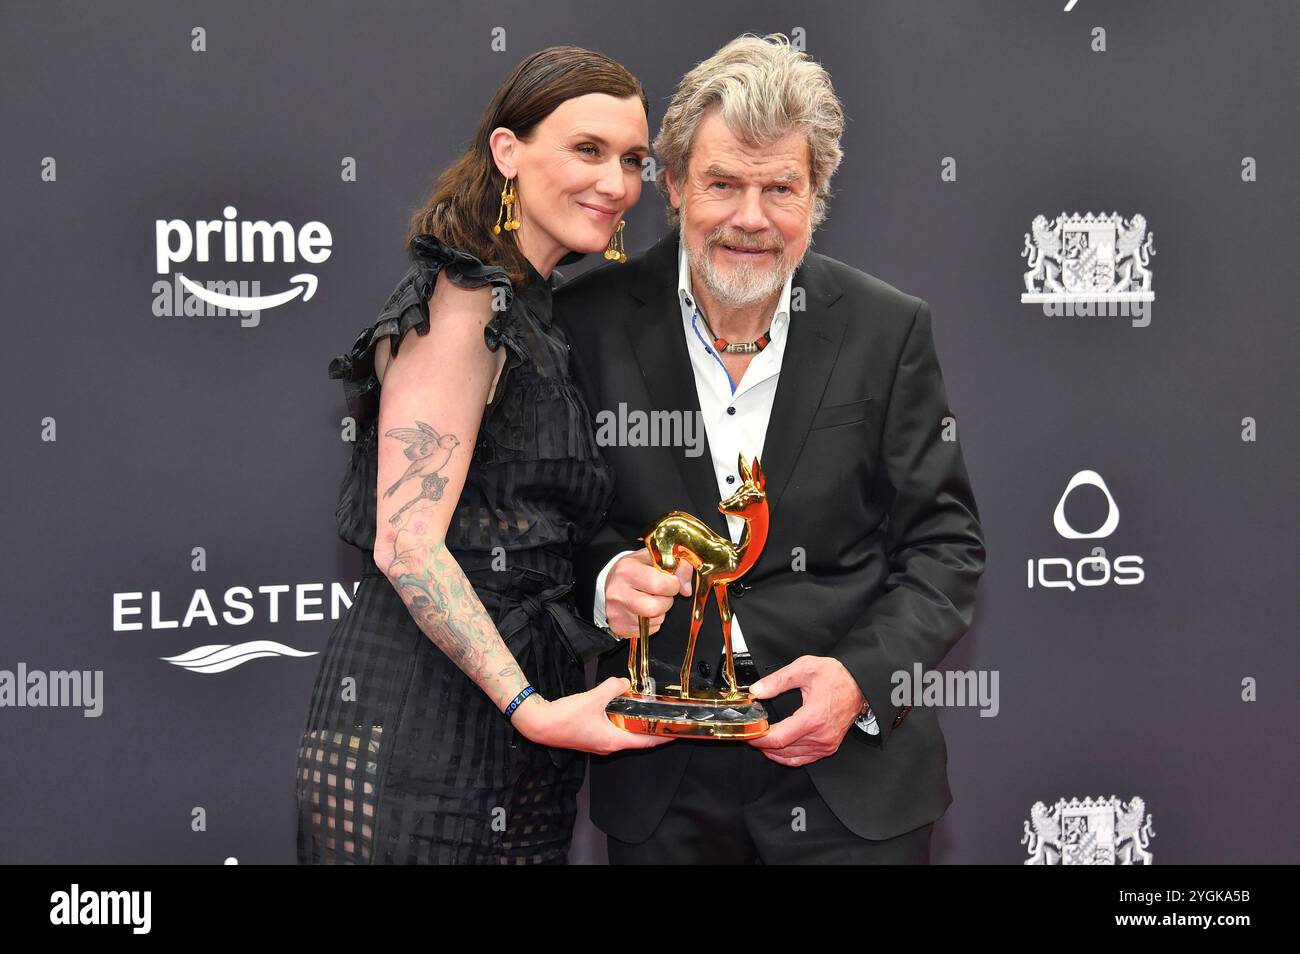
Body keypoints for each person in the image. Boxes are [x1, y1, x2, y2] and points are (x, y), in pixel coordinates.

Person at [554, 33, 987, 864]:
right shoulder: (585, 321)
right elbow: (551, 526)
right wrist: (608, 578)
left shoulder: (886, 329)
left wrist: (860, 680)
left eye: (780, 187)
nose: (751, 218)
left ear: (815, 194)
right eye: (722, 183)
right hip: (660, 781)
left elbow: (945, 547)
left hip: (851, 785)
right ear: (673, 185)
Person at [295, 46, 671, 865]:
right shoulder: (466, 299)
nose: (617, 182)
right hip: (422, 740)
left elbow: (516, 532)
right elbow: (407, 542)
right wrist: (531, 706)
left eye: (634, 160)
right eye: (588, 150)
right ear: (509, 152)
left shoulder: (535, 307)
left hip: (513, 736)